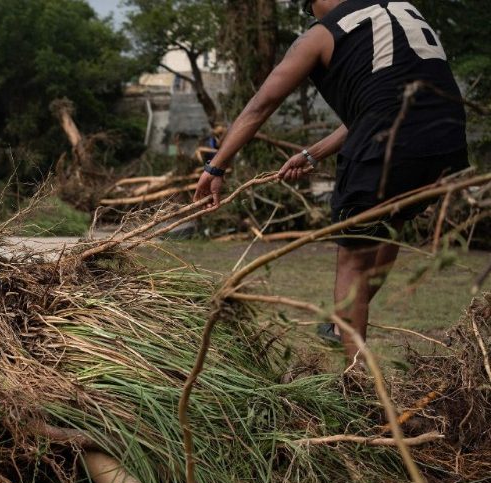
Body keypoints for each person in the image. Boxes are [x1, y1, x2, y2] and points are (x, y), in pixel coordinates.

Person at [193, 0, 468, 360]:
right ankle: (343, 326)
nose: (312, 16)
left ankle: (359, 385)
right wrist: (312, 154)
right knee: (392, 224)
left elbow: (262, 104)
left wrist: (216, 167)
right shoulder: (402, 10)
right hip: (445, 142)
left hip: (385, 144)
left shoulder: (323, 34)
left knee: (352, 261)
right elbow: (380, 103)